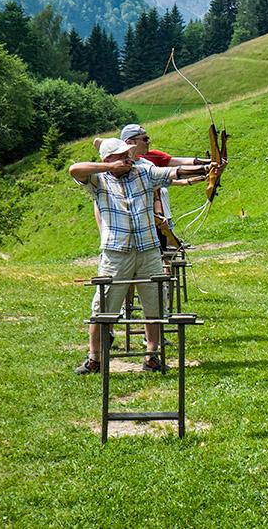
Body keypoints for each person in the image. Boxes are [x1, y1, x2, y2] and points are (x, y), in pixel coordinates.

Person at [70, 137, 219, 374]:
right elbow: (74, 169)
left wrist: (207, 167)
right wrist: (111, 168)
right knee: (102, 309)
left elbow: (172, 172)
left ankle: (151, 355)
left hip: (148, 249)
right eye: (122, 156)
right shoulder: (98, 179)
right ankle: (94, 358)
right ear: (108, 159)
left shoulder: (143, 171)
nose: (129, 159)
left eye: (128, 155)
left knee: (155, 306)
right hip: (116, 253)